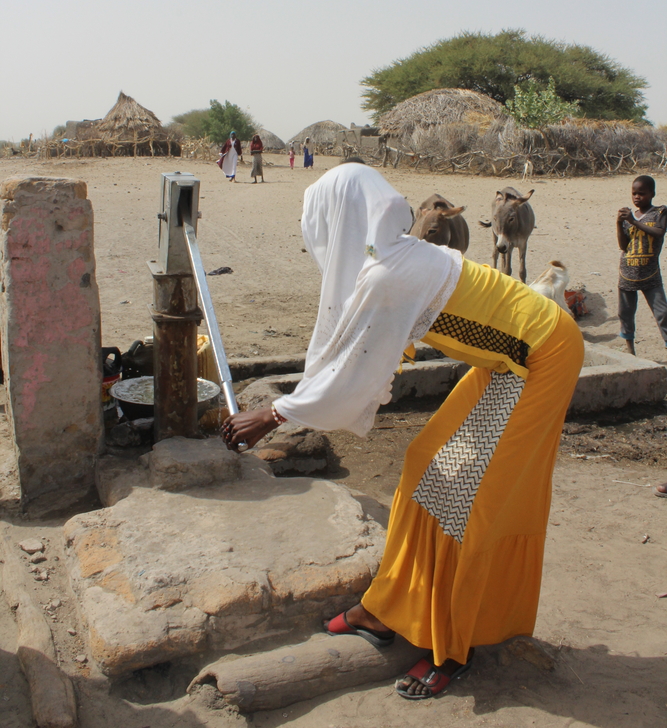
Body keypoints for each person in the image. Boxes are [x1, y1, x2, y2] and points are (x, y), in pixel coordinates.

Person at [223, 164, 584, 700]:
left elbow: (354, 370)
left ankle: (452, 648)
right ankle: (384, 608)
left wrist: (274, 414)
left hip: (545, 355)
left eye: (316, 220)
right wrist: (301, 402)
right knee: (423, 462)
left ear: (339, 219)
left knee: (471, 499)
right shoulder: (388, 262)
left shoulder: (392, 272)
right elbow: (362, 355)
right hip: (506, 360)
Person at [616, 175, 667, 356]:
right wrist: (619, 223)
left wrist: (633, 222)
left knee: (662, 313)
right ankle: (630, 350)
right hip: (628, 272)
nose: (637, 197)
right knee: (626, 313)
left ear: (652, 194)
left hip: (650, 274)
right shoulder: (629, 216)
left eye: (642, 193)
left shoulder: (659, 213)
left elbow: (659, 233)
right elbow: (623, 246)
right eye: (634, 193)